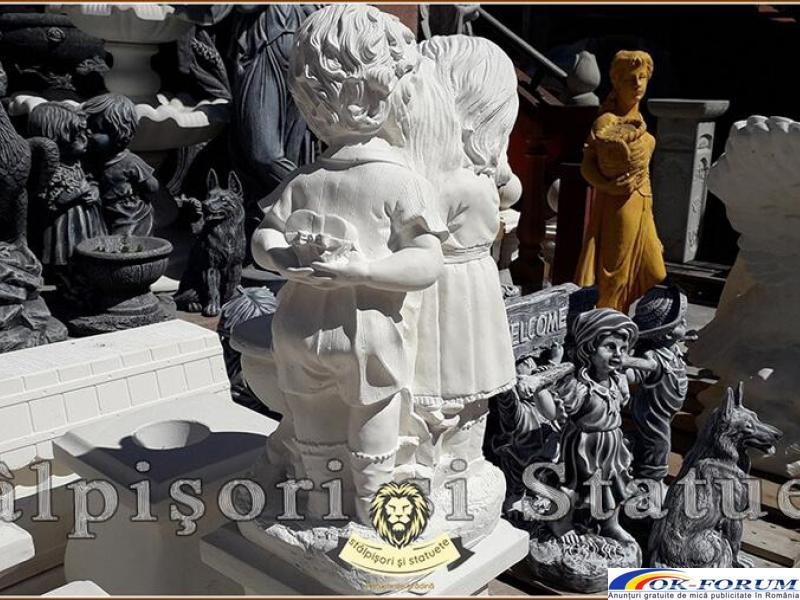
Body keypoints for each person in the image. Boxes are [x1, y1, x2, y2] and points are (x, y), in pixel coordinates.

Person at [250, 5, 447, 523]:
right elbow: (428, 261)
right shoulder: (396, 181)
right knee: (368, 442)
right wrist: (293, 259)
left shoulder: (307, 180)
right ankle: (363, 516)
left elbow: (264, 237)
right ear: (387, 93)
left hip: (305, 329)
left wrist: (294, 261)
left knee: (323, 438)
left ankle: (330, 510)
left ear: (305, 99)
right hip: (364, 338)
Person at [409, 36, 518, 465]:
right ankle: (448, 460)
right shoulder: (466, 181)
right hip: (456, 282)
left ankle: (451, 459)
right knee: (449, 381)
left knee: (449, 379)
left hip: (450, 285)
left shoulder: (445, 178)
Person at [575, 50, 666, 313]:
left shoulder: (640, 121)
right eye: (630, 79)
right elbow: (587, 164)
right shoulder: (607, 122)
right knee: (615, 275)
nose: (637, 84)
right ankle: (607, 324)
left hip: (643, 202)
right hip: (619, 206)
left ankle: (621, 318)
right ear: (616, 82)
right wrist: (605, 186)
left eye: (642, 78)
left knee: (655, 271)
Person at [549, 308, 639, 544]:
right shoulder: (581, 387)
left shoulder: (616, 380)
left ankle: (610, 523)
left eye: (622, 348)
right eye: (610, 347)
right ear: (589, 349)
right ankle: (561, 522)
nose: (618, 354)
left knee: (614, 485)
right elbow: (559, 409)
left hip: (612, 444)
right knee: (574, 486)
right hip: (584, 445)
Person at [28, 102, 106, 271]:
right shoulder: (50, 169)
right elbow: (50, 202)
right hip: (63, 226)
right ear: (59, 138)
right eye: (78, 135)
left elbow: (90, 181)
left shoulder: (77, 162)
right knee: (67, 261)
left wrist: (94, 189)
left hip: (86, 221)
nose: (85, 139)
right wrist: (81, 190)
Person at [82, 93, 158, 236]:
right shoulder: (93, 159)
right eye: (88, 127)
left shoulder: (130, 161)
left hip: (131, 214)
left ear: (118, 134)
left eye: (96, 129)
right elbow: (92, 178)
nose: (88, 133)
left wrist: (139, 187)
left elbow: (152, 186)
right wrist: (94, 188)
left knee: (125, 241)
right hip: (107, 211)